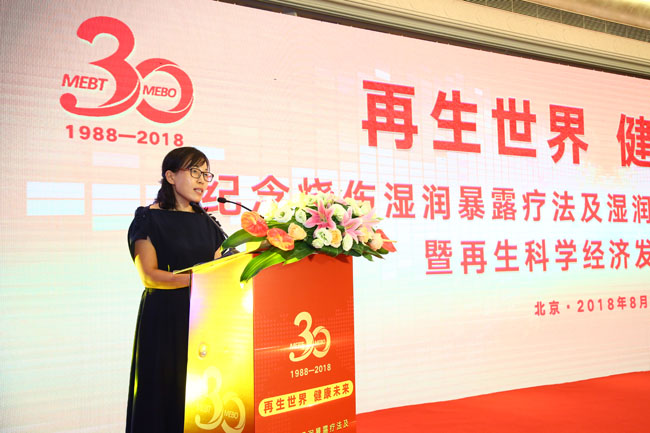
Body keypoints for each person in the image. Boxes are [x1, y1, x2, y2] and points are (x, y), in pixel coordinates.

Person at [125, 147, 225, 433]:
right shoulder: (148, 218)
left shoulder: (207, 221)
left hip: (204, 318)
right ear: (170, 176)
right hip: (165, 319)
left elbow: (221, 267)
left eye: (206, 174)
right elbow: (150, 276)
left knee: (201, 395)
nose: (203, 180)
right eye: (194, 172)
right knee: (164, 394)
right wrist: (200, 281)